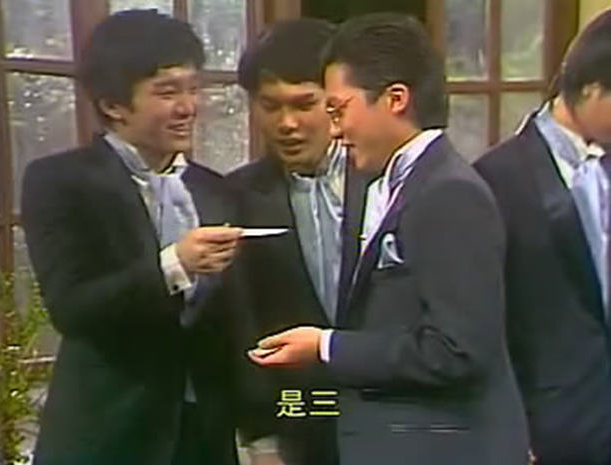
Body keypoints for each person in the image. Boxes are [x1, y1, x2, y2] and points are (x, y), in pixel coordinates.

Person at [249, 13, 529, 465]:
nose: (334, 130)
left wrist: (327, 346)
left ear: (395, 99)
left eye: (339, 110)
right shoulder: (395, 183)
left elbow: (456, 350)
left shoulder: (449, 193)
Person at [22, 9, 251, 465]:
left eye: (193, 88)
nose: (188, 107)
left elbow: (232, 321)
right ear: (113, 104)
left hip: (203, 436)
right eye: (167, 92)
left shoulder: (215, 189)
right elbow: (73, 308)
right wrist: (175, 265)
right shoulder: (60, 181)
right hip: (107, 435)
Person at [228, 18, 368, 465]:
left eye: (305, 104)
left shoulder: (389, 181)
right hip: (301, 422)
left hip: (393, 418)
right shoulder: (236, 198)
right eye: (270, 106)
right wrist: (262, 439)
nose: (286, 124)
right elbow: (240, 326)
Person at [474, 10, 611, 465]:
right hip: (552, 431)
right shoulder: (497, 179)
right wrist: (509, 432)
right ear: (592, 88)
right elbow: (487, 323)